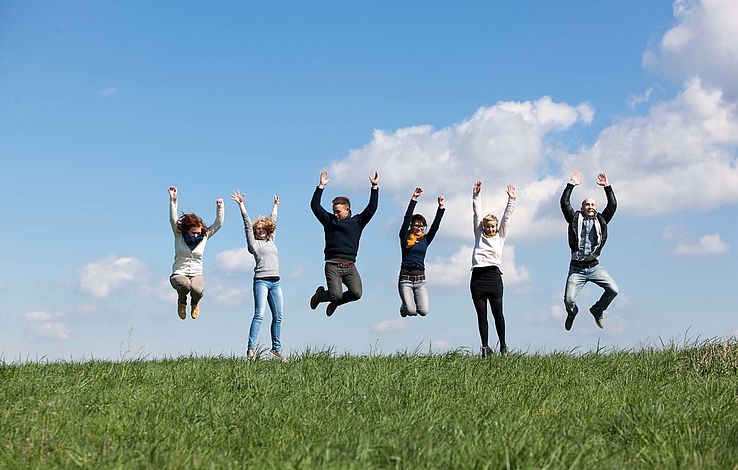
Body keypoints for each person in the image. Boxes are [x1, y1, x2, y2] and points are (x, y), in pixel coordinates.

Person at [309, 169, 379, 317]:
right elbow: (315, 206)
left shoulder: (357, 222)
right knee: (336, 294)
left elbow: (371, 209)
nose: (335, 213)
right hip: (332, 265)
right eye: (334, 210)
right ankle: (320, 296)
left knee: (356, 293)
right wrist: (321, 186)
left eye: (338, 211)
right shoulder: (329, 221)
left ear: (347, 210)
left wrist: (374, 188)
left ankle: (337, 302)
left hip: (350, 266)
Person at [560, 170, 619, 331]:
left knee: (614, 290)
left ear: (596, 208)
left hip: (594, 267)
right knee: (569, 300)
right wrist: (571, 184)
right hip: (576, 268)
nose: (590, 207)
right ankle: (572, 313)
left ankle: (598, 309)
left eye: (593, 204)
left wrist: (607, 186)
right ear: (582, 207)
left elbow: (612, 206)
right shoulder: (574, 219)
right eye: (587, 204)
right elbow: (564, 203)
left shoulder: (601, 220)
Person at [231, 190, 284, 361]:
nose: (261, 231)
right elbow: (247, 224)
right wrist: (241, 205)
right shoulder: (253, 243)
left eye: (263, 228)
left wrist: (275, 206)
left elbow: (273, 221)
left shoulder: (271, 240)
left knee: (278, 317)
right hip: (261, 281)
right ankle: (251, 350)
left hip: (276, 282)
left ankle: (276, 349)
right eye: (258, 229)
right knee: (259, 314)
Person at [471, 180, 516, 357]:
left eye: (492, 226)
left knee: (498, 313)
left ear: (496, 227)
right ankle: (484, 348)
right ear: (483, 226)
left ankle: (503, 346)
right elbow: (476, 213)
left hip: (494, 277)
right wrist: (476, 195)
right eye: (487, 226)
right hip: (477, 277)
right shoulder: (478, 234)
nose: (490, 228)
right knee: (482, 315)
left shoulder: (500, 236)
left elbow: (506, 217)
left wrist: (512, 199)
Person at [168, 186, 224, 320]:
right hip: (179, 274)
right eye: (193, 232)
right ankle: (182, 302)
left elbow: (218, 224)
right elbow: (172, 218)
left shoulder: (204, 237)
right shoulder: (178, 235)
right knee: (185, 285)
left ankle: (195, 303)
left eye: (198, 232)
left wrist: (220, 207)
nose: (196, 235)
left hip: (196, 274)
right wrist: (173, 199)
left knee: (197, 290)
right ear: (187, 230)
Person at [398, 187, 445, 317]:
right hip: (405, 278)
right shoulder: (404, 237)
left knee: (423, 311)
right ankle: (404, 307)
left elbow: (435, 226)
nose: (419, 228)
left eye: (421, 225)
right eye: (416, 225)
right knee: (411, 311)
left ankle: (407, 304)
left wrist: (440, 208)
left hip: (420, 279)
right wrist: (413, 199)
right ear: (411, 226)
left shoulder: (425, 239)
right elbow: (406, 218)